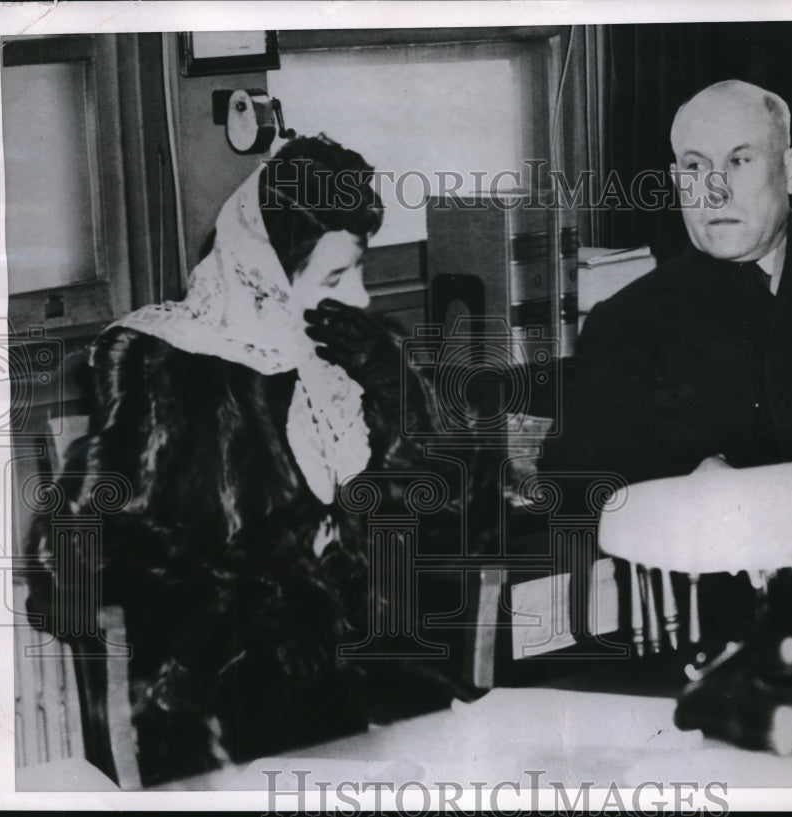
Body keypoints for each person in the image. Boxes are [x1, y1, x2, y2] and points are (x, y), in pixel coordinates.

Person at [25, 135, 489, 785]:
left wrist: (399, 394)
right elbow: (63, 564)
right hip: (229, 709)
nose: (358, 298)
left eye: (360, 271)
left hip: (373, 674)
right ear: (266, 280)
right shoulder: (170, 372)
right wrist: (255, 587)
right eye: (333, 278)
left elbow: (455, 521)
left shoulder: (344, 364)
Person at [542, 79, 792, 489]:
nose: (715, 192)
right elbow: (569, 490)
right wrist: (675, 482)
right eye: (695, 167)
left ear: (791, 169)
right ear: (677, 181)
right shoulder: (623, 323)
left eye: (740, 161)